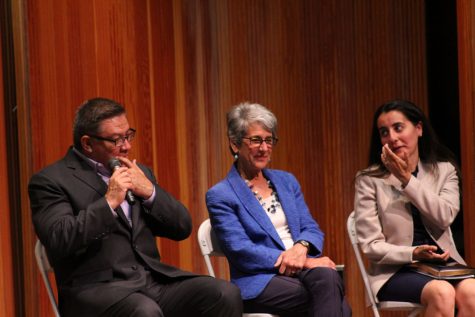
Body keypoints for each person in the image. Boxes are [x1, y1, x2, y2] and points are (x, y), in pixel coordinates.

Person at [28, 98, 242, 317]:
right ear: (87, 143)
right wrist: (109, 202)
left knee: (224, 294)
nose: (127, 146)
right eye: (116, 140)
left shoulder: (139, 173)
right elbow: (58, 238)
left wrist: (150, 192)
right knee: (145, 312)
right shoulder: (51, 181)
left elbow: (182, 227)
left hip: (152, 281)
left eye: (128, 135)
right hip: (95, 291)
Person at [206, 102, 351, 317]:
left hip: (299, 271)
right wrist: (302, 261)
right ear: (235, 144)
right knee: (336, 299)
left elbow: (310, 227)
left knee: (329, 279)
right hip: (258, 280)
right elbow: (241, 250)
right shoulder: (221, 194)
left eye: (269, 140)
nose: (264, 148)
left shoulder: (286, 181)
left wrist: (301, 247)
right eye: (256, 140)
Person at [354, 99, 475, 316]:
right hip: (395, 271)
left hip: (444, 264)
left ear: (418, 129)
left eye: (398, 128)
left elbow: (444, 216)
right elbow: (371, 246)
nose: (392, 137)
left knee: (472, 292)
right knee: (442, 293)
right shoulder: (369, 179)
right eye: (384, 132)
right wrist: (413, 253)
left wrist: (407, 180)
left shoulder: (444, 171)